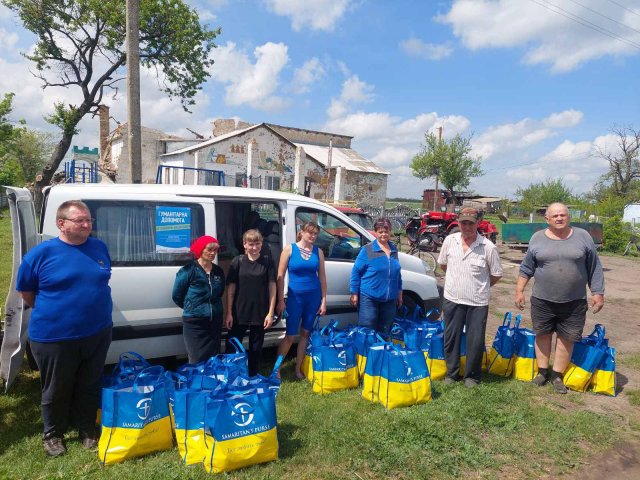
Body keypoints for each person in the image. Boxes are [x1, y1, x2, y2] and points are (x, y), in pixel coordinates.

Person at [16, 200, 112, 456]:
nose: (86, 224)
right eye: (79, 220)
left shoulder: (99, 247)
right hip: (54, 337)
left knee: (89, 383)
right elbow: (26, 291)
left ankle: (86, 428)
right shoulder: (41, 254)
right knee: (56, 388)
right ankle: (52, 434)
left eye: (89, 220)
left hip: (98, 331)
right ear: (61, 224)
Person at [515, 202, 605, 394]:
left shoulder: (583, 237)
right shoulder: (537, 238)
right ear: (547, 219)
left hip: (574, 301)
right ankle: (542, 372)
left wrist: (597, 293)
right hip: (542, 300)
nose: (559, 218)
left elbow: (594, 268)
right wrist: (519, 291)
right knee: (542, 334)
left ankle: (557, 375)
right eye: (554, 216)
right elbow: (526, 268)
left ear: (568, 216)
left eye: (562, 215)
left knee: (567, 338)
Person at [437, 207, 502, 388]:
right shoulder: (450, 241)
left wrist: (478, 286)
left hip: (477, 302)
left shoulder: (488, 247)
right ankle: (452, 373)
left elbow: (496, 274)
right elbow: (443, 264)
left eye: (470, 223)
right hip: (452, 299)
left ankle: (472, 376)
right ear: (458, 223)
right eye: (463, 223)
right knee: (451, 337)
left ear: (478, 224)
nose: (467, 226)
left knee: (475, 340)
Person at [276, 221, 327, 379]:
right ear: (302, 232)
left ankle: (298, 369)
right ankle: (276, 368)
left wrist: (323, 300)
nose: (312, 236)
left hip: (313, 298)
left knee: (305, 333)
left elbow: (322, 278)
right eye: (309, 232)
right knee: (290, 336)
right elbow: (280, 276)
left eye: (315, 234)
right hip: (295, 298)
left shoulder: (318, 252)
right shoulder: (289, 249)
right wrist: (280, 300)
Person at [225, 229, 277, 376]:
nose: (254, 247)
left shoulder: (268, 262)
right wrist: (229, 312)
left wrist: (270, 313)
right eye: (251, 244)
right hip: (239, 310)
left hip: (260, 311)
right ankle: (230, 374)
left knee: (256, 347)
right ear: (244, 245)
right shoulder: (238, 261)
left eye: (257, 244)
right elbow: (231, 288)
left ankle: (252, 375)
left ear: (261, 244)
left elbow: (272, 287)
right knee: (232, 344)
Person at [172, 236, 225, 364]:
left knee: (213, 357)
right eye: (209, 249)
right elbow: (176, 295)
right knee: (196, 358)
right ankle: (196, 382)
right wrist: (192, 306)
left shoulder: (218, 271)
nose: (213, 253)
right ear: (201, 249)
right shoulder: (188, 270)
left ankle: (211, 382)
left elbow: (220, 292)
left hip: (214, 321)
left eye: (215, 250)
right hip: (195, 322)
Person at [350, 217, 403, 333]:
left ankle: (381, 351)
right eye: (380, 232)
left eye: (386, 231)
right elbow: (356, 272)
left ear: (390, 231)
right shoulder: (368, 249)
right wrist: (354, 293)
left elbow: (397, 273)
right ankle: (365, 351)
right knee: (367, 331)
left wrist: (400, 292)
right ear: (375, 232)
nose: (383, 234)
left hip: (390, 299)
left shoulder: (393, 249)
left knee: (385, 330)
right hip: (370, 298)